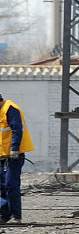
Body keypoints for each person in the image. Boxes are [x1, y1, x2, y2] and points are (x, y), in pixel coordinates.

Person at [0, 91, 32, 224]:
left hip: (13, 156)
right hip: (2, 155)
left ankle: (15, 216)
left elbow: (17, 129)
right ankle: (4, 215)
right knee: (2, 185)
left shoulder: (10, 108)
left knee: (11, 184)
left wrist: (14, 148)